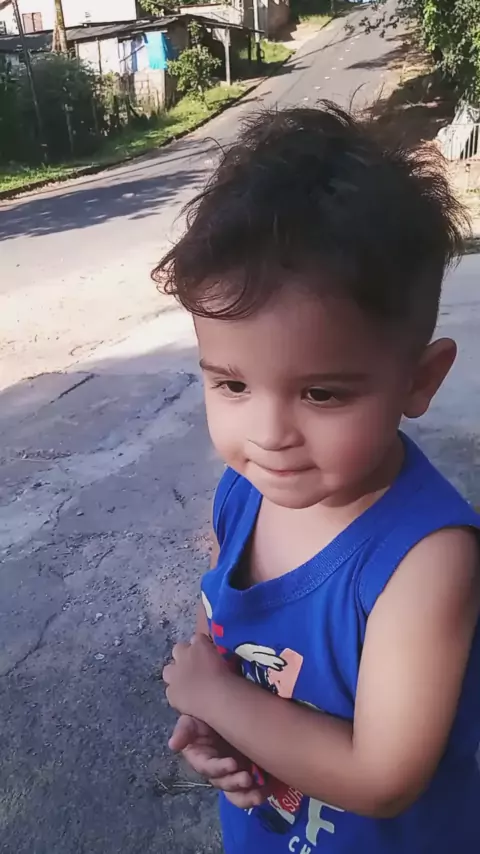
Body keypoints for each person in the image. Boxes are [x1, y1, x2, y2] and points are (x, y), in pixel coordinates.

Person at [159, 103, 480, 853]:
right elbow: (225, 644)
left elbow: (382, 776)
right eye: (232, 385)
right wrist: (213, 726)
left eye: (322, 393)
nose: (269, 434)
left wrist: (218, 698)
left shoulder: (425, 560)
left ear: (419, 380)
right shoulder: (243, 494)